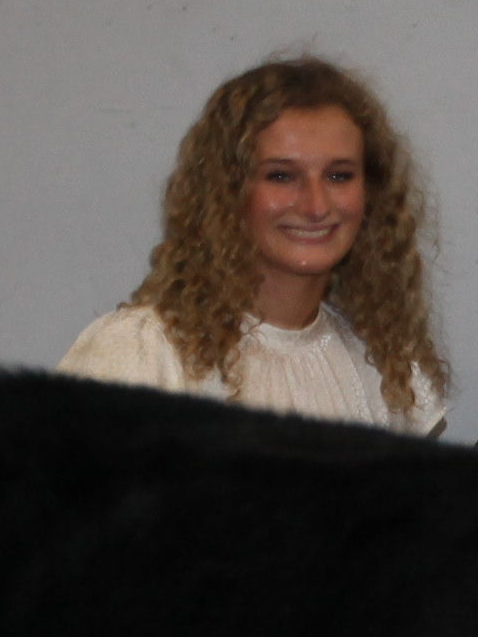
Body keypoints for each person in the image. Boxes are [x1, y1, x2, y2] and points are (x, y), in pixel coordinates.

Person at [56, 55, 450, 433]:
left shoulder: (384, 368)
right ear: (226, 191)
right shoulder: (141, 354)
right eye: (281, 176)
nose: (316, 206)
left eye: (338, 176)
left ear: (372, 192)